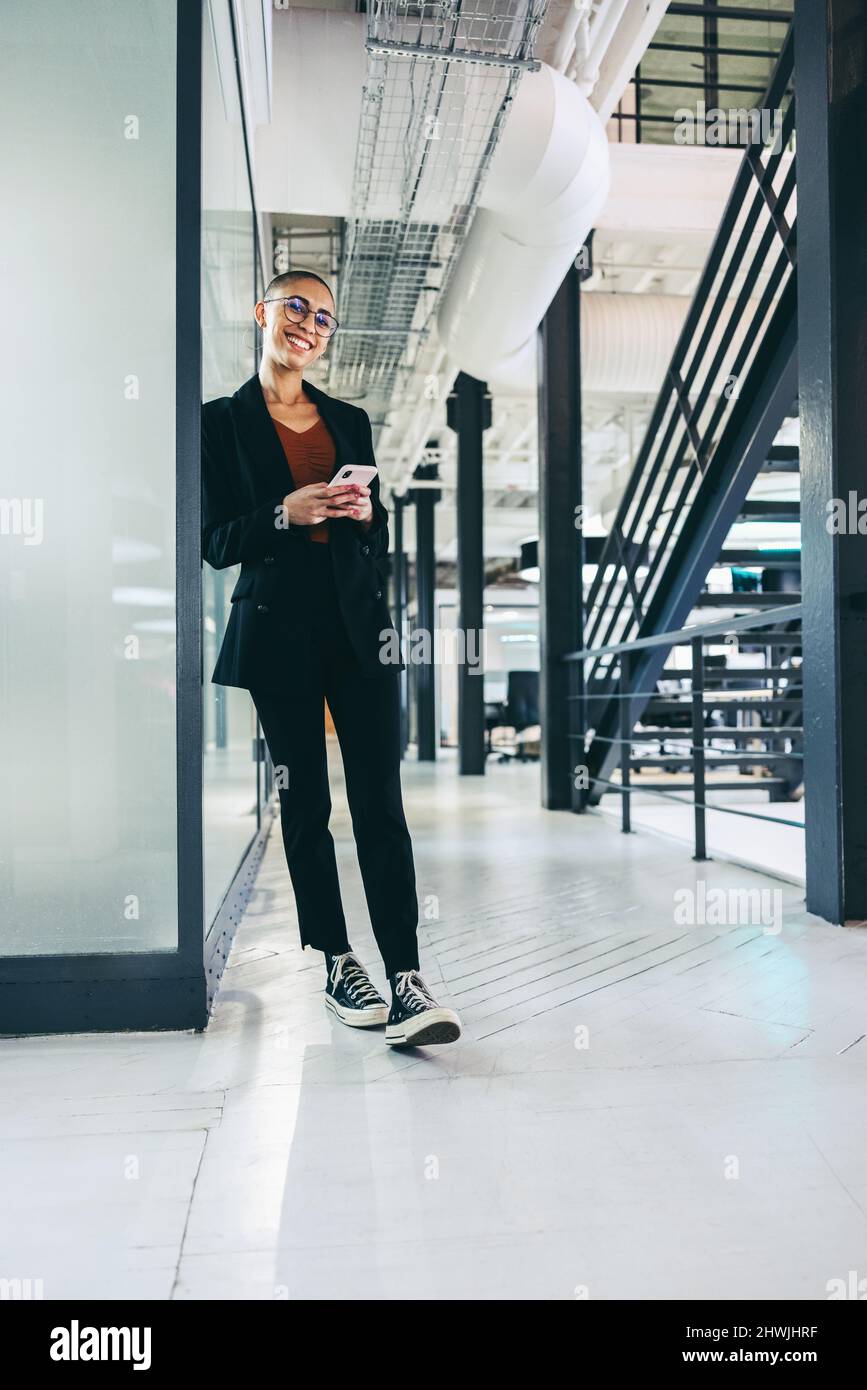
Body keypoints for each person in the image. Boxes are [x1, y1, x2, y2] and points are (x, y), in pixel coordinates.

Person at [201, 269, 461, 1048]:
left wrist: (363, 510)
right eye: (296, 309)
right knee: (306, 807)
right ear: (263, 314)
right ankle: (338, 961)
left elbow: (369, 540)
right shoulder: (219, 422)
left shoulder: (348, 418)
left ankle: (407, 978)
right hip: (278, 630)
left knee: (381, 802)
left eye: (322, 317)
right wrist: (282, 513)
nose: (309, 325)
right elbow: (214, 541)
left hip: (359, 631)